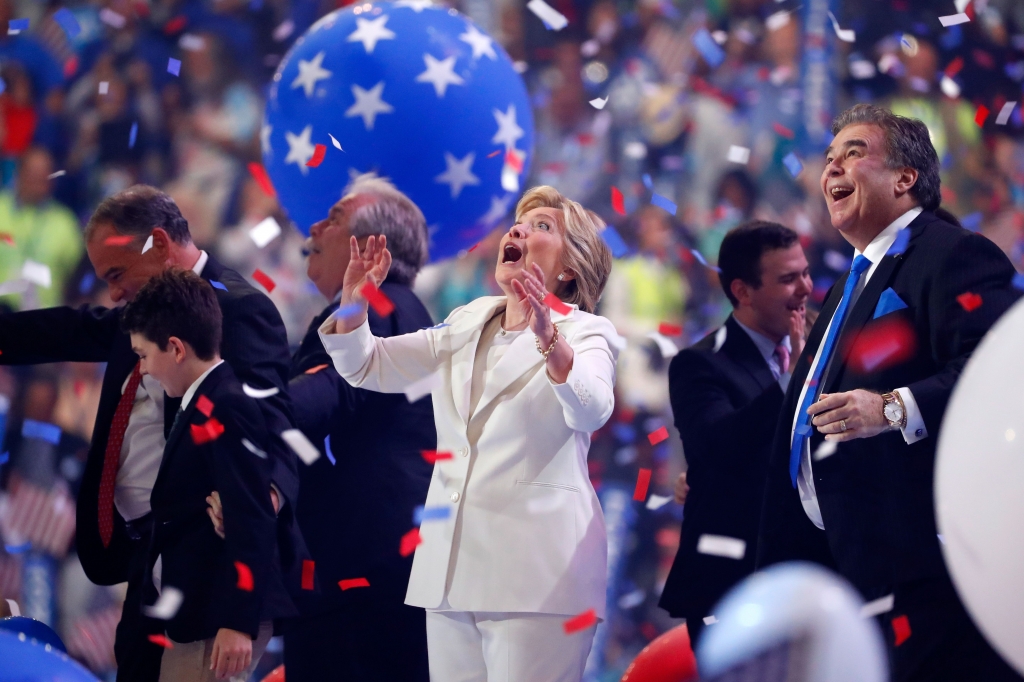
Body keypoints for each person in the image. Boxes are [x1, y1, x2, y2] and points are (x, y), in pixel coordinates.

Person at [757, 104, 1022, 681]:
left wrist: (894, 407)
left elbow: (1002, 371)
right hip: (849, 569)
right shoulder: (846, 287)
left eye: (854, 152)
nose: (832, 169)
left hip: (927, 567)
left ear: (906, 179)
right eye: (828, 159)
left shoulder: (953, 253)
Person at [0, 185, 305, 682]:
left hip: (209, 563)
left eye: (117, 274)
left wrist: (267, 492)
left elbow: (272, 425)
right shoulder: (143, 312)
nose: (114, 292)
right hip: (148, 558)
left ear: (160, 244)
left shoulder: (242, 311)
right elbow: (71, 328)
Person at [319, 185, 617, 681]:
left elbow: (592, 409)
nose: (519, 229)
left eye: (543, 226)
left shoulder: (587, 332)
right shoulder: (468, 320)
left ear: (569, 269)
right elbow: (368, 366)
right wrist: (354, 304)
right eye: (520, 222)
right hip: (451, 573)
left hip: (536, 579)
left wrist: (550, 341)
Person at [209, 174, 436, 680]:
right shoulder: (400, 308)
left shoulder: (377, 306)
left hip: (359, 578)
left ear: (371, 246)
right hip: (380, 571)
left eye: (334, 217)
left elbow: (327, 394)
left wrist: (237, 413)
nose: (313, 224)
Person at [121, 269, 295, 682]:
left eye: (143, 355)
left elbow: (252, 520)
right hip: (197, 615)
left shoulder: (226, 406)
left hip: (216, 621)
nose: (142, 371)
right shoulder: (200, 400)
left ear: (176, 348)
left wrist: (237, 623)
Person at [659, 221, 812, 648]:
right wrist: (792, 384)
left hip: (811, 577)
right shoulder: (700, 364)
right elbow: (714, 447)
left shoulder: (824, 346)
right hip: (730, 583)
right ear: (743, 291)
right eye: (787, 279)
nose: (805, 288)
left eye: (805, 273)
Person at [0, 146, 83, 310]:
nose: (38, 183)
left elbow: (76, 277)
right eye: (33, 175)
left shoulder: (65, 223)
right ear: (19, 174)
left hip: (46, 318)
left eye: (44, 176)